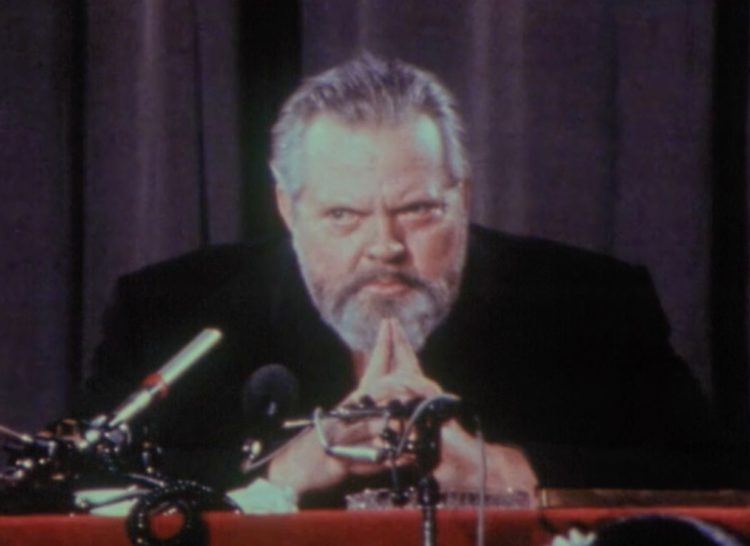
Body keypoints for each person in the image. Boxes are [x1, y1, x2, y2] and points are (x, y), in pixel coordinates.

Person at [79, 54, 726, 508]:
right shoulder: (167, 311)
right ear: (288, 210)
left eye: (417, 210)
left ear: (461, 197)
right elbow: (73, 491)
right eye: (343, 216)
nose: (384, 246)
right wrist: (280, 476)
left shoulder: (592, 303)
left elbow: (712, 476)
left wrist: (504, 469)